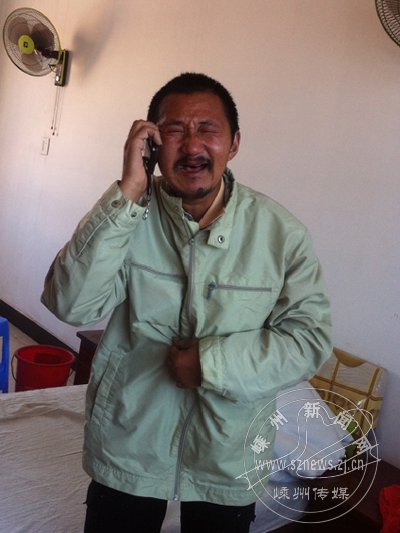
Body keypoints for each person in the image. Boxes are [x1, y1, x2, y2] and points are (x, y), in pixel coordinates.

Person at [41, 72, 332, 533]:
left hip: (229, 456)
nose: (192, 145)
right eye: (174, 130)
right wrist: (127, 193)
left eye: (208, 129)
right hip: (129, 445)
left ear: (234, 144)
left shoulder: (281, 234)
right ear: (152, 146)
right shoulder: (129, 215)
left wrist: (211, 364)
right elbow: (70, 304)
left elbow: (308, 340)